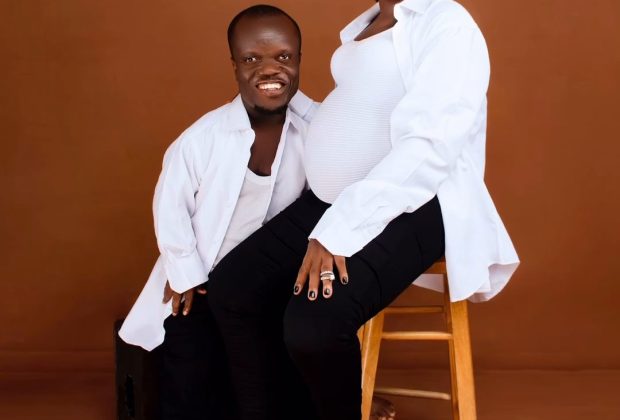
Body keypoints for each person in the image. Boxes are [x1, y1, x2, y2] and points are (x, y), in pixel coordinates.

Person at [206, 0, 520, 419]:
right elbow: (362, 112)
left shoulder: (447, 23)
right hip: (333, 201)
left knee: (314, 326)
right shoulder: (369, 22)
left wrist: (340, 231)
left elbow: (430, 147)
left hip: (417, 205)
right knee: (235, 288)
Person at [118, 5, 316, 419]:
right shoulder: (203, 138)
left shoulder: (316, 129)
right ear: (234, 65)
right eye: (251, 58)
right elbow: (170, 207)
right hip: (203, 282)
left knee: (266, 376)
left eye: (283, 56)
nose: (269, 69)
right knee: (192, 370)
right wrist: (185, 272)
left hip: (271, 285)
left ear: (299, 58)